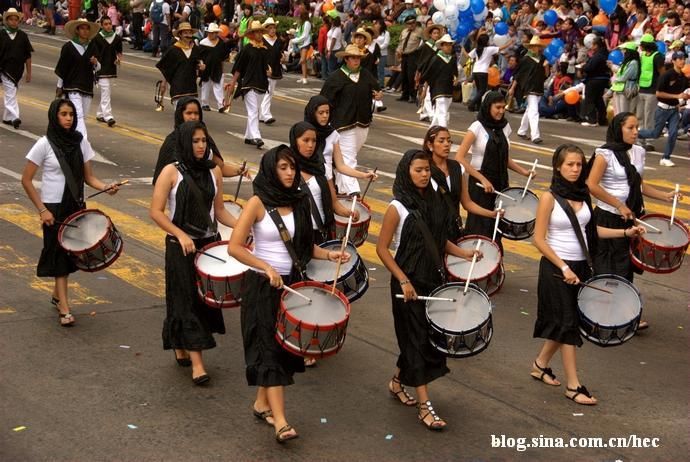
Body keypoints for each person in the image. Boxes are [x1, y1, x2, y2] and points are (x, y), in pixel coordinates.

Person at [228, 145, 350, 443]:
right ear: (271, 168)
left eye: (292, 167)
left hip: (291, 285)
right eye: (283, 167)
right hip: (261, 286)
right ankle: (281, 421)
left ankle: (261, 404)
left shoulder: (299, 201)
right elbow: (234, 247)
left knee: (280, 350)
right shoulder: (257, 203)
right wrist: (264, 267)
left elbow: (303, 247)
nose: (289, 172)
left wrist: (328, 256)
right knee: (268, 350)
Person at [531, 144, 645, 406]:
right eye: (569, 164)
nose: (575, 169)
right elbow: (538, 240)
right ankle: (573, 385)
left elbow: (593, 232)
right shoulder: (549, 198)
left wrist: (626, 233)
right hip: (556, 268)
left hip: (580, 267)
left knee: (564, 323)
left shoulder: (583, 197)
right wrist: (563, 267)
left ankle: (540, 365)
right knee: (569, 324)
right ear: (557, 167)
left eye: (579, 165)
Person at [376, 149, 481, 431]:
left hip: (432, 279)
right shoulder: (396, 207)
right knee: (416, 340)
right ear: (405, 173)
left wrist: (463, 253)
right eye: (418, 170)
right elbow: (382, 249)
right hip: (407, 284)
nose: (424, 175)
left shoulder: (434, 202)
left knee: (422, 338)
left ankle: (397, 381)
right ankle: (425, 406)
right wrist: (403, 280)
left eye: (426, 170)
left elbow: (438, 239)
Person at [150, 121, 236, 385]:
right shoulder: (170, 172)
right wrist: (181, 234)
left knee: (201, 301)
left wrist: (243, 227)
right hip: (180, 246)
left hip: (208, 243)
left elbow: (219, 211)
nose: (201, 146)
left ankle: (179, 342)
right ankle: (198, 365)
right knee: (185, 300)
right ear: (186, 143)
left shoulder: (214, 172)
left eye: (204, 141)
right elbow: (155, 211)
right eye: (196, 141)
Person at [21, 99, 119, 327]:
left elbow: (89, 177)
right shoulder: (44, 144)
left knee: (70, 256)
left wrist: (106, 187)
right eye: (63, 114)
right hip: (53, 209)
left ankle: (57, 296)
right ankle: (64, 308)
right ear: (54, 116)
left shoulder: (80, 142)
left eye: (71, 114)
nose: (68, 118)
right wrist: (42, 209)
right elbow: (26, 180)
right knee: (58, 256)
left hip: (74, 206)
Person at [586, 112, 680, 294]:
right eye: (630, 128)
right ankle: (602, 310)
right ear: (618, 129)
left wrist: (665, 196)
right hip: (608, 217)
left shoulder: (639, 152)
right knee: (606, 265)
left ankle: (623, 311)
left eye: (637, 127)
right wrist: (619, 205)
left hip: (632, 217)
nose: (636, 132)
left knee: (626, 266)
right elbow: (591, 184)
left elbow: (639, 184)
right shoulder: (605, 154)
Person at [455, 91, 533, 249]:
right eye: (497, 107)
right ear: (488, 106)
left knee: (496, 225)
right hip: (480, 184)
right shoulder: (476, 127)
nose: (501, 111)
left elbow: (504, 158)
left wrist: (524, 172)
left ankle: (494, 264)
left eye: (503, 107)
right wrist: (482, 179)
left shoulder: (505, 127)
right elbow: (459, 157)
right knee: (479, 225)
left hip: (500, 183)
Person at [320, 44, 382, 195]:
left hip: (363, 122)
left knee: (346, 157)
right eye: (353, 58)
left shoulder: (366, 74)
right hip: (342, 125)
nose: (356, 61)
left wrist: (378, 95)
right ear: (346, 59)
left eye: (359, 58)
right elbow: (324, 100)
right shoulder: (335, 78)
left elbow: (377, 89)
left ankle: (340, 186)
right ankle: (353, 192)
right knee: (348, 157)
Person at [423, 125, 502, 242]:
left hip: (452, 230)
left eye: (449, 141)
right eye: (441, 141)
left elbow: (467, 203)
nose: (447, 144)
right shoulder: (425, 170)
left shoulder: (457, 168)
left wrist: (492, 214)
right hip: (431, 230)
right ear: (430, 145)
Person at [152, 96, 247, 182]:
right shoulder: (172, 141)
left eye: (196, 113)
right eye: (189, 113)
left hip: (206, 192)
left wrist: (238, 171)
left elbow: (220, 167)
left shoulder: (205, 136)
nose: (193, 117)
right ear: (180, 115)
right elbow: (159, 180)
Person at [303, 95, 378, 185]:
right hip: (306, 183)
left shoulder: (332, 134)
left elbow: (341, 166)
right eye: (321, 113)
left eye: (327, 112)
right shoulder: (303, 131)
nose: (325, 116)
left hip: (327, 183)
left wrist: (363, 175)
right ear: (312, 113)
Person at [637, 51, 689, 167]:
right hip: (662, 109)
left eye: (684, 58)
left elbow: (685, 91)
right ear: (673, 61)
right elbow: (658, 93)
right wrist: (677, 96)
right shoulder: (666, 75)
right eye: (679, 58)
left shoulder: (683, 78)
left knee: (673, 133)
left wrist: (684, 97)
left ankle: (666, 157)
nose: (682, 61)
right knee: (655, 134)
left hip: (674, 110)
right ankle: (634, 134)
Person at [55, 18, 102, 141]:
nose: (85, 31)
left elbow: (98, 67)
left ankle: (69, 137)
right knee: (79, 115)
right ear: (77, 30)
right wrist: (59, 86)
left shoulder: (92, 46)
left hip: (86, 85)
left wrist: (96, 63)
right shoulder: (68, 47)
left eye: (87, 29)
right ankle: (83, 141)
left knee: (82, 116)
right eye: (82, 28)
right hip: (72, 86)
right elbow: (62, 68)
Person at [226, 20, 270, 148]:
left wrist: (269, 70)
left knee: (255, 110)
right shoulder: (247, 49)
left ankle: (248, 136)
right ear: (251, 34)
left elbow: (266, 67)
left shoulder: (264, 49)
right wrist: (233, 82)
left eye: (260, 32)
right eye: (256, 32)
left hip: (261, 83)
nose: (259, 34)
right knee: (253, 111)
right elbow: (238, 68)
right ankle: (257, 136)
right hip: (248, 83)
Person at [155, 22, 206, 107]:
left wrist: (202, 67)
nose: (188, 35)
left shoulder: (195, 49)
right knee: (180, 114)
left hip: (191, 87)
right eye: (185, 33)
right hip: (178, 86)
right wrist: (164, 83)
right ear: (180, 34)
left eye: (190, 33)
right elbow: (167, 68)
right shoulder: (173, 50)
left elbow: (198, 63)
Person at [0, 8, 33, 130]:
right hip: (4, 68)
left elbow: (28, 56)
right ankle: (15, 116)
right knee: (10, 92)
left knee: (12, 92)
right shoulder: (2, 34)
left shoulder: (23, 36)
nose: (14, 22)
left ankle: (6, 117)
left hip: (17, 69)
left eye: (16, 20)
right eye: (11, 20)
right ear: (7, 21)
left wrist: (29, 72)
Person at [514, 36, 549, 144]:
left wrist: (546, 67)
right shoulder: (526, 59)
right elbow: (519, 74)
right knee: (534, 111)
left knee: (530, 109)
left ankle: (522, 130)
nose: (536, 48)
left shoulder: (543, 58)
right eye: (534, 46)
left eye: (538, 46)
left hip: (538, 86)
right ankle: (535, 135)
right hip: (529, 87)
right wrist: (513, 87)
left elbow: (546, 75)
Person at [421, 34, 457, 128]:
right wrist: (423, 87)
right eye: (446, 45)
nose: (449, 47)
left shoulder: (452, 59)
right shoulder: (436, 58)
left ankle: (432, 129)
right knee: (442, 111)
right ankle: (443, 130)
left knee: (440, 111)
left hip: (448, 88)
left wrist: (456, 78)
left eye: (450, 45)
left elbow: (455, 72)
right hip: (438, 88)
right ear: (441, 46)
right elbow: (428, 73)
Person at [468, 34, 511, 111]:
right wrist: (510, 43)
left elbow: (469, 56)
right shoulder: (488, 49)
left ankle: (478, 106)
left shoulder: (477, 49)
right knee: (482, 90)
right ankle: (472, 104)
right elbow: (501, 48)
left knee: (479, 90)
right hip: (483, 71)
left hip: (475, 71)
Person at [94, 16, 123, 127]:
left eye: (109, 24)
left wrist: (118, 60)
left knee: (107, 92)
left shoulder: (116, 38)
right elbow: (94, 53)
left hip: (111, 68)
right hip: (101, 69)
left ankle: (100, 113)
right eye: (105, 24)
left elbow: (119, 52)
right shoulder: (97, 38)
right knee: (106, 92)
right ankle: (108, 116)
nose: (108, 26)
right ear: (101, 25)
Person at [636, 34, 665, 141]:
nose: (640, 46)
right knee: (640, 115)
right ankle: (641, 137)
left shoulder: (657, 56)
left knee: (649, 116)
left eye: (641, 44)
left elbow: (662, 73)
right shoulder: (642, 55)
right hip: (642, 88)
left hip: (652, 90)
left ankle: (649, 140)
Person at [580, 35, 611, 127]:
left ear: (596, 45)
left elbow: (590, 67)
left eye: (593, 45)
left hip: (595, 79)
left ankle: (592, 120)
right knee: (598, 100)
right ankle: (602, 119)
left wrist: (583, 67)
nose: (591, 47)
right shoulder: (604, 54)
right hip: (602, 79)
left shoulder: (598, 55)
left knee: (590, 99)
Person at [415, 23, 444, 122]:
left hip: (436, 72)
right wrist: (419, 72)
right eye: (434, 33)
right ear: (430, 35)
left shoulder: (440, 47)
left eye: (438, 33)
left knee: (430, 93)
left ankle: (424, 113)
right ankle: (431, 114)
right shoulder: (426, 46)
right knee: (427, 93)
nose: (436, 35)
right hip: (426, 72)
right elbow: (421, 60)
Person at [199, 23, 230, 112]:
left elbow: (223, 57)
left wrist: (222, 68)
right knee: (206, 85)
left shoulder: (221, 43)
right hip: (206, 68)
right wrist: (201, 65)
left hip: (217, 67)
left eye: (215, 33)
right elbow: (199, 56)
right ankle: (204, 103)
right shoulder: (203, 43)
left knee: (218, 86)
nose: (213, 34)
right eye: (211, 33)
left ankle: (221, 105)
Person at [260, 17, 283, 125]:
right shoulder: (262, 40)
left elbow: (280, 53)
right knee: (267, 92)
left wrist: (282, 57)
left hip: (275, 68)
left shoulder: (278, 41)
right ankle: (266, 115)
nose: (273, 30)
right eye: (270, 28)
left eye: (274, 28)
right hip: (265, 69)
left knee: (270, 92)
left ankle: (261, 114)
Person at [395, 16, 423, 104]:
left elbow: (424, 42)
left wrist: (419, 51)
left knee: (411, 76)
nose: (411, 25)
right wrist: (398, 51)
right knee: (404, 75)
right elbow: (401, 42)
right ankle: (405, 94)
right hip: (404, 55)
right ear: (406, 24)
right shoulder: (404, 32)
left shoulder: (420, 31)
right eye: (409, 23)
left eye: (413, 23)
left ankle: (413, 95)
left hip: (413, 55)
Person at [610, 42, 640, 115]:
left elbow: (624, 77)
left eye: (624, 50)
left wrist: (615, 79)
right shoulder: (626, 62)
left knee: (624, 112)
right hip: (619, 88)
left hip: (626, 89)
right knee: (619, 111)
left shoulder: (633, 63)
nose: (623, 52)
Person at [289, 10, 312, 84]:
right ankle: (304, 77)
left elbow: (305, 36)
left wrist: (294, 40)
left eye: (300, 15)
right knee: (303, 62)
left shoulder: (307, 23)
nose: (299, 17)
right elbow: (299, 33)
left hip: (305, 43)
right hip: (301, 43)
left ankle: (305, 77)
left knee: (302, 60)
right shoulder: (302, 24)